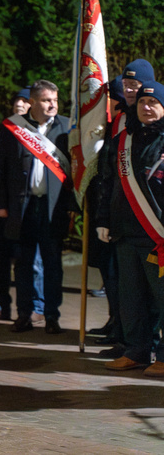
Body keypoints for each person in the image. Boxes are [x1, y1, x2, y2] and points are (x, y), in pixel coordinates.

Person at [0, 80, 73, 334]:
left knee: (52, 265)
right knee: (24, 264)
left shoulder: (68, 128)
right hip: (22, 207)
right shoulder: (13, 129)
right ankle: (24, 314)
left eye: (55, 100)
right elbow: (0, 169)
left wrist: (73, 207)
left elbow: (76, 172)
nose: (52, 105)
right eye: (47, 100)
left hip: (53, 207)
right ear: (33, 102)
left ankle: (51, 316)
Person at [96, 81, 164, 375]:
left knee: (162, 298)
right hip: (126, 231)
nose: (147, 107)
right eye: (142, 103)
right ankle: (137, 351)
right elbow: (107, 182)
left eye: (154, 103)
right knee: (131, 296)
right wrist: (103, 219)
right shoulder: (124, 139)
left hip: (157, 235)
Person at [0, 87, 46, 323]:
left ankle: (37, 305)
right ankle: (1, 304)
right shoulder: (5, 132)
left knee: (32, 262)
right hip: (6, 210)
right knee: (0, 260)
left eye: (24, 100)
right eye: (16, 99)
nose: (19, 104)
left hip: (30, 209)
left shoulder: (41, 134)